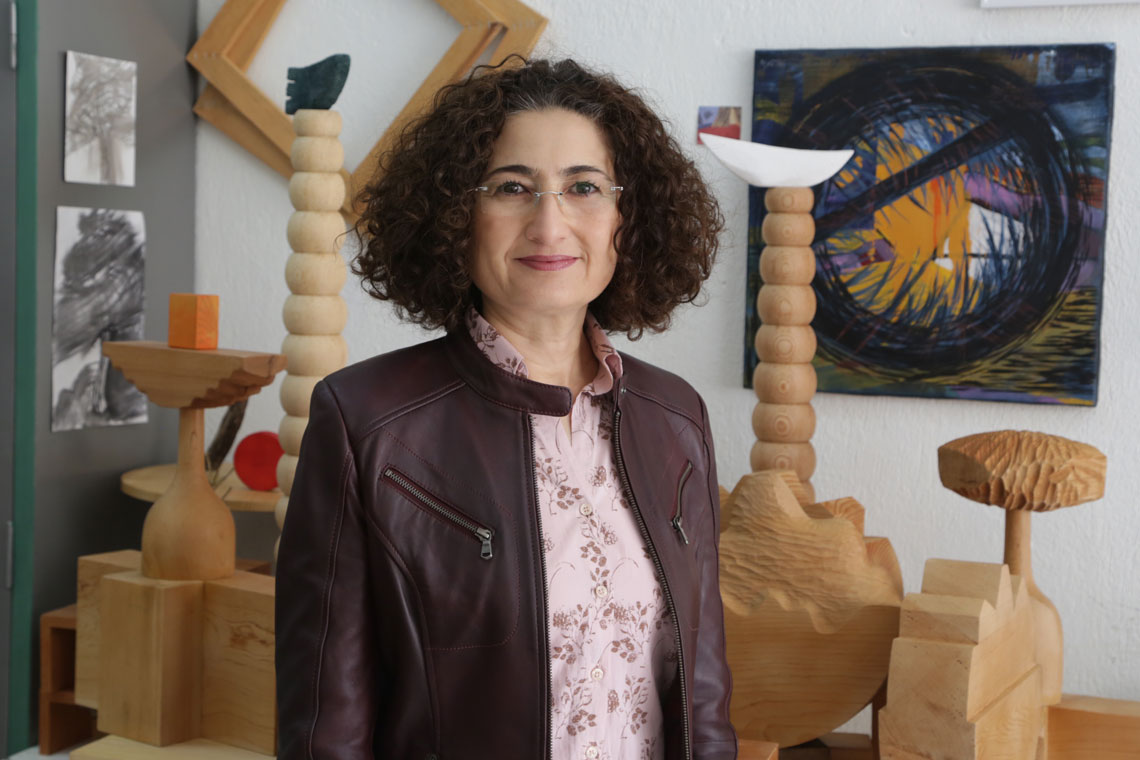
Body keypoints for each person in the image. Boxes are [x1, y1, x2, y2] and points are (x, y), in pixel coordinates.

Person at [276, 58, 736, 760]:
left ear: (628, 215)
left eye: (584, 187)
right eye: (512, 188)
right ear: (457, 216)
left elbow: (704, 696)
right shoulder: (365, 422)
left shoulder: (676, 417)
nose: (549, 224)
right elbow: (325, 730)